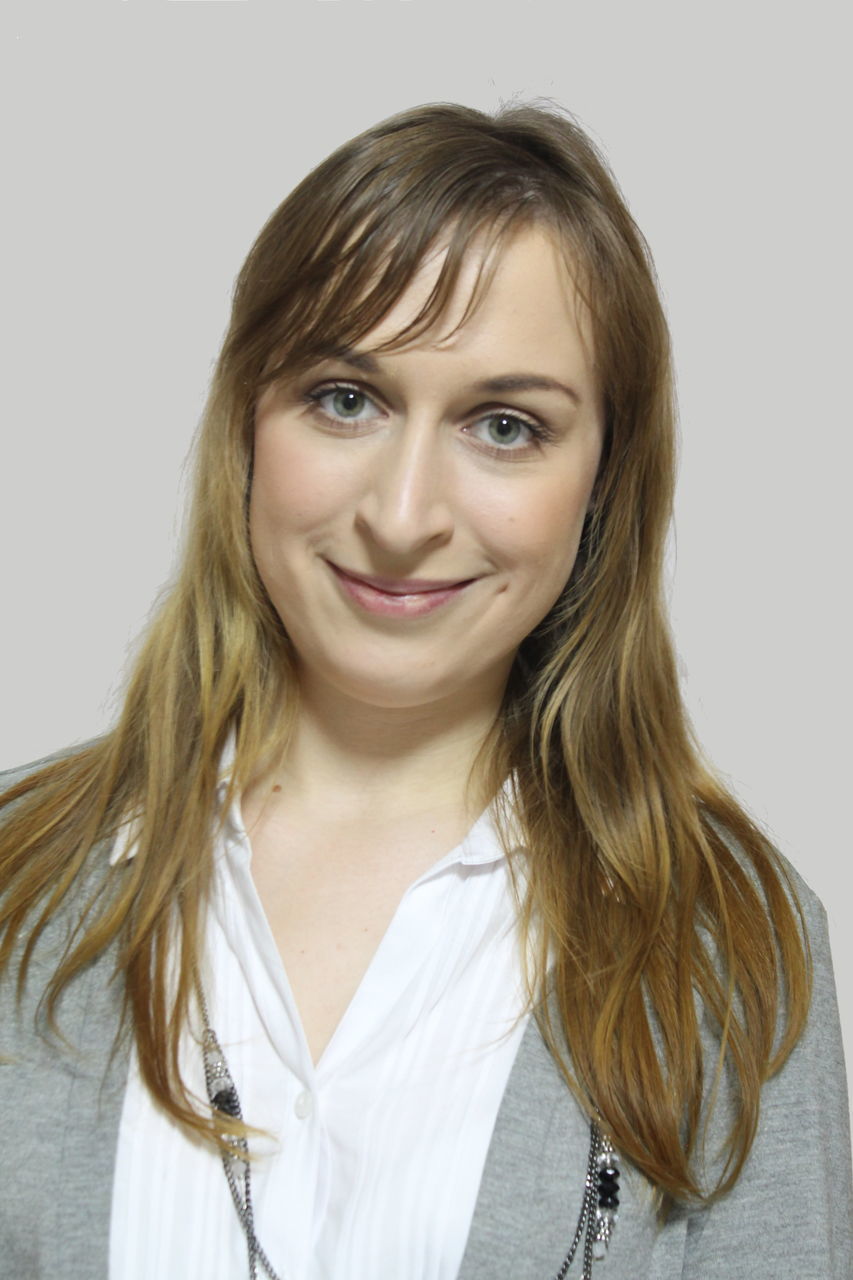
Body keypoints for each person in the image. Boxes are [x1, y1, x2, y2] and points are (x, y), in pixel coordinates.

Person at [1, 100, 850, 1280]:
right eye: (346, 397)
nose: (402, 518)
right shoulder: (14, 883)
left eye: (505, 426)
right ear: (248, 420)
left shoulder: (727, 945)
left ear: (602, 479)